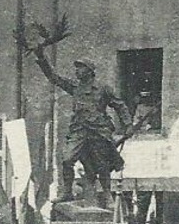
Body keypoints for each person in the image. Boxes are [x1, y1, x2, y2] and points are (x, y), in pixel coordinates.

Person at [24, 41, 131, 206]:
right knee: (67, 159)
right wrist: (40, 56)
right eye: (77, 68)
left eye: (80, 68)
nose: (77, 71)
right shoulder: (75, 87)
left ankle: (108, 195)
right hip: (79, 130)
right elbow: (54, 77)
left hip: (98, 130)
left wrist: (128, 124)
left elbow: (120, 105)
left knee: (102, 164)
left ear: (89, 70)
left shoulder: (103, 88)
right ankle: (67, 192)